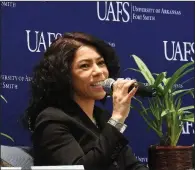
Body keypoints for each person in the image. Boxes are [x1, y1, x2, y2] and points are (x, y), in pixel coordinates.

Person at [23, 32, 149, 170]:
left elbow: (132, 166)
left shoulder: (101, 117)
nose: (99, 71)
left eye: (101, 63)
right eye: (85, 66)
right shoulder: (52, 121)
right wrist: (118, 117)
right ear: (65, 76)